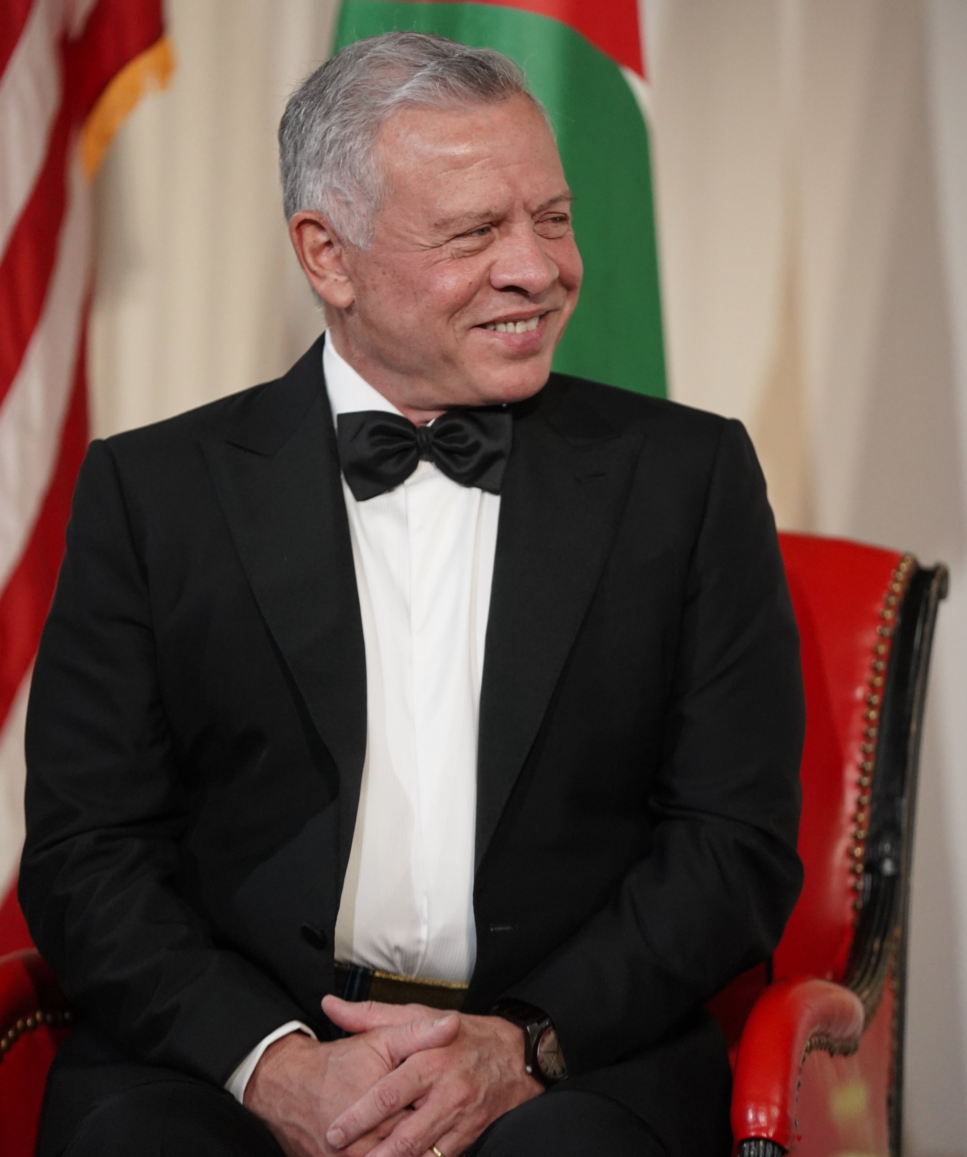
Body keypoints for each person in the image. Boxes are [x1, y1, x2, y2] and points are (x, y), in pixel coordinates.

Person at [20, 32, 804, 1157]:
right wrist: (270, 1062)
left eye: (552, 217)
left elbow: (732, 844)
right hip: (222, 1051)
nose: (538, 268)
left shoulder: (688, 478)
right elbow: (87, 850)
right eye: (475, 232)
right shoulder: (155, 493)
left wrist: (523, 1044)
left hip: (568, 1059)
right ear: (326, 256)